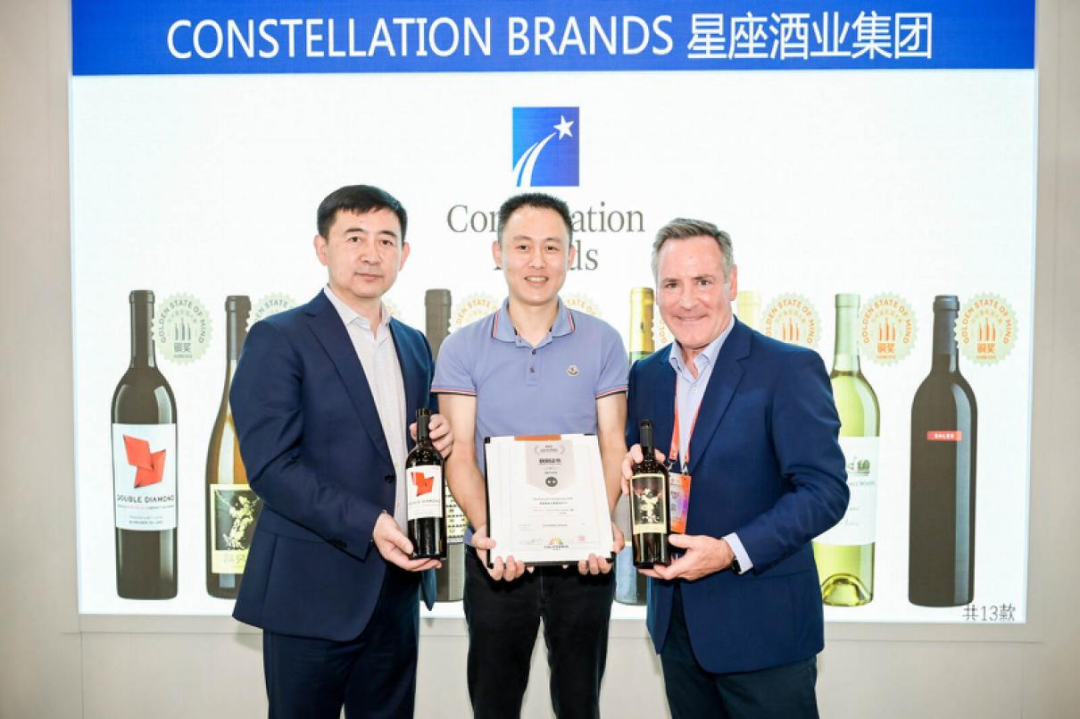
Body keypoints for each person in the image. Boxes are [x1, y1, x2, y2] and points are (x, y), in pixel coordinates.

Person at [229, 185, 453, 719]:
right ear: (321, 247)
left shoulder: (414, 344)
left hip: (397, 589)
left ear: (404, 254)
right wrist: (370, 522)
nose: (372, 254)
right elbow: (271, 468)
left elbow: (402, 457)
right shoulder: (278, 338)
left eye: (386, 241)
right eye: (355, 238)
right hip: (311, 590)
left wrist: (436, 442)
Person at [622, 218, 849, 719]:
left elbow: (825, 492)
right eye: (672, 284)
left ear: (732, 283)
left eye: (703, 281)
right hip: (677, 627)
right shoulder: (646, 375)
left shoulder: (788, 368)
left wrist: (730, 551)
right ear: (656, 292)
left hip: (764, 629)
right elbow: (645, 467)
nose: (687, 300)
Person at [433, 193, 628, 719]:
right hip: (497, 558)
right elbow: (460, 455)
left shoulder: (604, 342)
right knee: (493, 705)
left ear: (571, 255)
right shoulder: (462, 348)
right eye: (522, 246)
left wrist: (595, 525)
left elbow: (612, 443)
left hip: (583, 563)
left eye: (551, 247)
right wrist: (494, 534)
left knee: (580, 705)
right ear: (497, 252)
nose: (537, 261)